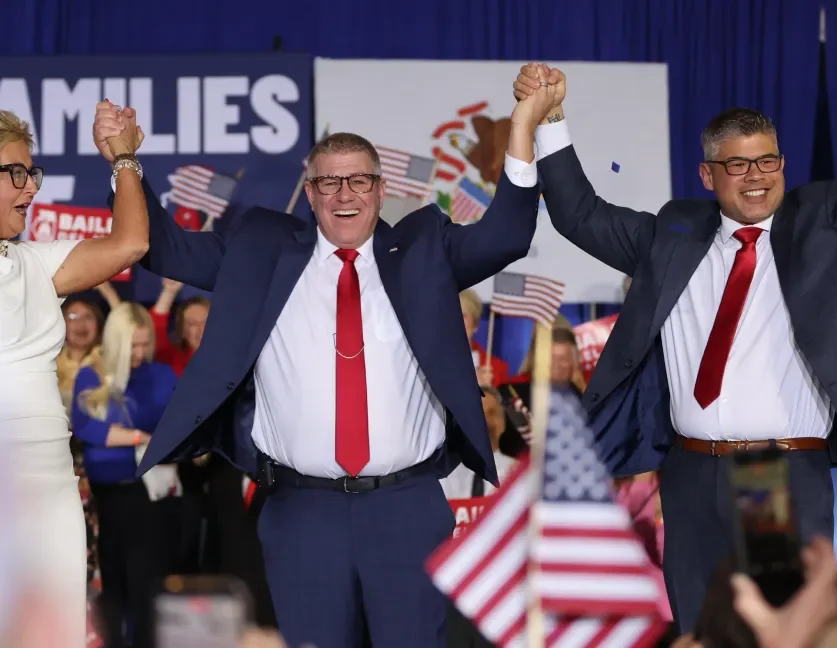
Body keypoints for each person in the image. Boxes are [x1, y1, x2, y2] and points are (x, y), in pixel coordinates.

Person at [513, 34, 837, 632]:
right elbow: (579, 215)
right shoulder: (673, 236)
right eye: (737, 165)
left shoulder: (830, 227)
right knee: (701, 628)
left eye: (767, 161)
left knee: (776, 629)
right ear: (708, 174)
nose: (756, 177)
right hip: (690, 470)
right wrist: (550, 121)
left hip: (771, 473)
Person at [109, 80, 559, 647]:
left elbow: (507, 234)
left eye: (359, 180)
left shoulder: (425, 250)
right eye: (328, 181)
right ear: (310, 190)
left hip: (406, 507)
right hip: (303, 512)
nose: (344, 194)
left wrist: (521, 128)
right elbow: (164, 248)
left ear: (380, 188)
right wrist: (124, 160)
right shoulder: (261, 250)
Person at [0, 102, 149, 647]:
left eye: (32, 173)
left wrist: (124, 159)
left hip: (52, 489)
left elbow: (130, 244)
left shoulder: (36, 264)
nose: (30, 188)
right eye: (15, 173)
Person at [71, 303, 179, 648]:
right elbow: (86, 428)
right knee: (111, 581)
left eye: (145, 344)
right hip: (103, 495)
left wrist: (122, 436)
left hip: (147, 492)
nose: (139, 353)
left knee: (146, 582)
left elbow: (176, 428)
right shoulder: (92, 376)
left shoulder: (161, 375)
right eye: (132, 345)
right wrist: (140, 437)